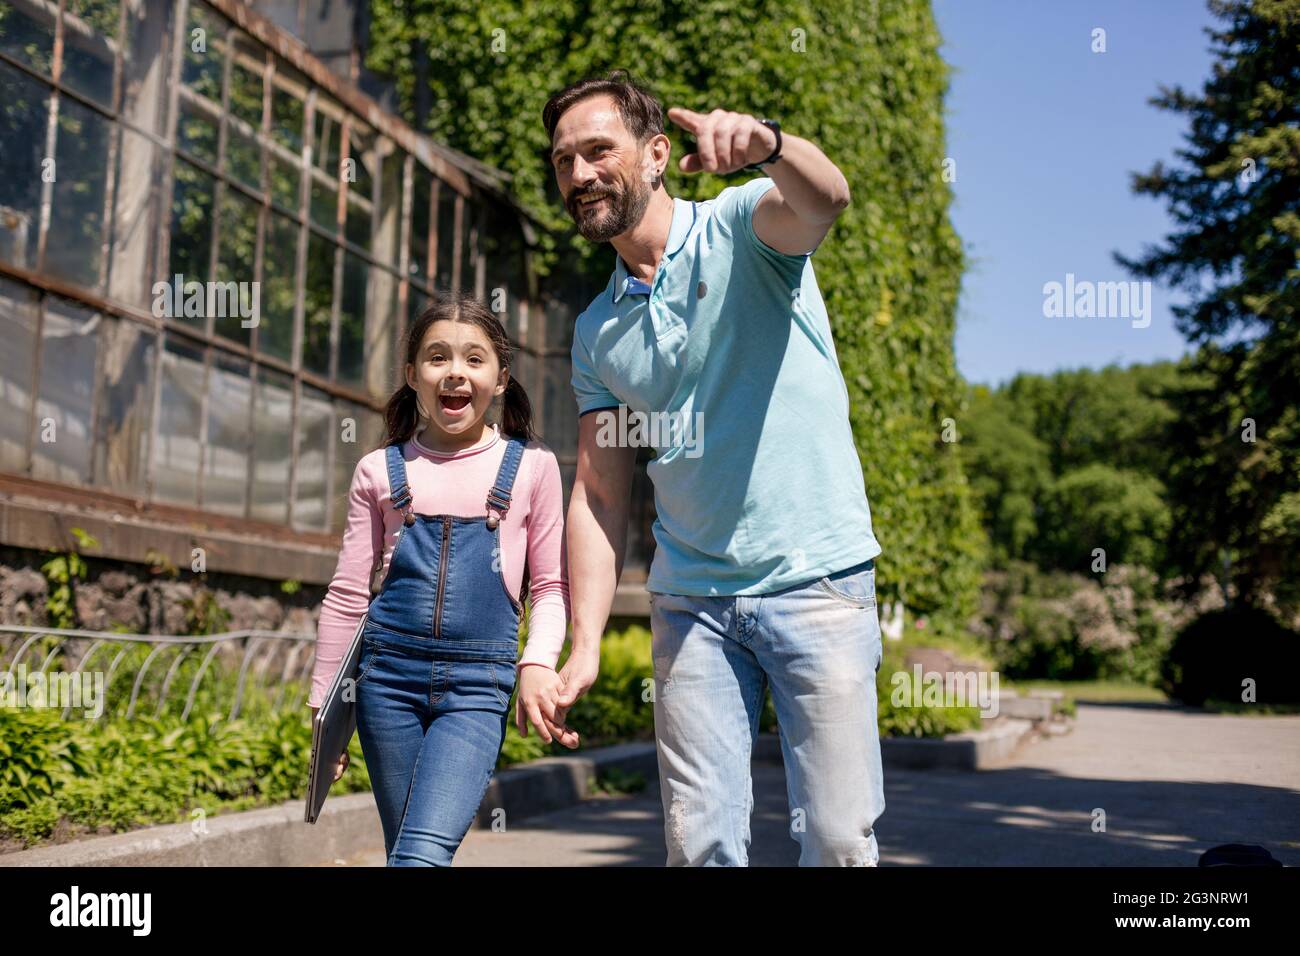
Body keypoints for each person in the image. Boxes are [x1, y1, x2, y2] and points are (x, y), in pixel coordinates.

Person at [543, 71, 887, 866]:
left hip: (817, 579)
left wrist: (767, 144)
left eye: (599, 150)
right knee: (700, 849)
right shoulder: (598, 332)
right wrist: (585, 641)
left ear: (658, 154)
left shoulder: (742, 226)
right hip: (692, 600)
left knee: (838, 839)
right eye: (564, 161)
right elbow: (598, 493)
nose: (580, 174)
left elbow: (825, 201)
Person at [307, 292, 575, 866]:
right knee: (406, 852)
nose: (455, 372)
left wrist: (538, 664)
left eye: (474, 359)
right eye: (437, 358)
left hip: (478, 688)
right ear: (412, 375)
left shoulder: (532, 467)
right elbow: (349, 594)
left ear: (501, 378)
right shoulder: (378, 470)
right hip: (386, 684)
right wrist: (323, 712)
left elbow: (550, 588)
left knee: (419, 857)